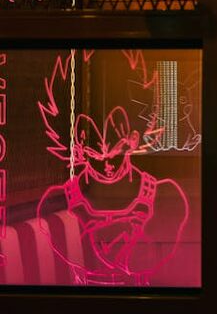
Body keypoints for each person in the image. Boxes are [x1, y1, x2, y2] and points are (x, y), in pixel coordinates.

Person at [37, 106, 189, 286]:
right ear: (82, 150)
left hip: (136, 293)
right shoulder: (59, 198)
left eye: (115, 154)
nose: (107, 165)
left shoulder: (161, 192)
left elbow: (154, 258)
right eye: (96, 157)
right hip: (85, 293)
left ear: (132, 142)